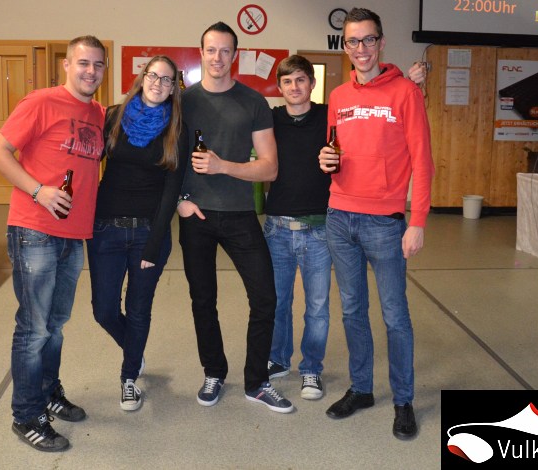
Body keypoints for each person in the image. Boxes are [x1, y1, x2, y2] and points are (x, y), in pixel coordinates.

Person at [265, 55, 427, 402]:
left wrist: (410, 84)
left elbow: (372, 107)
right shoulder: (272, 118)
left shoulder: (330, 111)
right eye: (287, 82)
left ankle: (312, 367)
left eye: (301, 80)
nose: (294, 87)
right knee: (280, 302)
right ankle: (278, 358)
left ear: (312, 84)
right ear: (279, 88)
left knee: (319, 306)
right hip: (281, 225)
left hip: (323, 226)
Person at [318, 8, 435, 440]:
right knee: (352, 310)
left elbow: (423, 161)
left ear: (381, 43)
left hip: (385, 222)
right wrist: (326, 160)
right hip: (339, 216)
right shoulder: (338, 96)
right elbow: (334, 150)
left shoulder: (406, 92)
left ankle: (403, 399)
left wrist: (417, 220)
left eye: (369, 39)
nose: (361, 48)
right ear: (345, 46)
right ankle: (362, 388)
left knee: (394, 315)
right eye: (353, 41)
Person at [0, 36, 107, 452]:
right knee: (34, 327)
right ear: (67, 66)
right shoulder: (41, 102)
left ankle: (48, 391)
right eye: (83, 63)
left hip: (74, 234)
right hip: (35, 229)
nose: (91, 71)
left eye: (98, 65)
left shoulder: (98, 113)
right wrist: (39, 191)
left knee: (55, 325)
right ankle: (26, 415)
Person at [176, 21, 293, 413]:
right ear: (201, 53)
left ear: (235, 55)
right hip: (195, 215)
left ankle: (256, 381)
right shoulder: (183, 102)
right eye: (211, 50)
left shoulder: (253, 102)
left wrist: (223, 166)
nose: (218, 57)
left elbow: (270, 167)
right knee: (202, 299)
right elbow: (166, 159)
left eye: (225, 50)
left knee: (265, 298)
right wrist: (179, 201)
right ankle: (214, 371)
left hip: (240, 215)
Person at [86, 55, 189, 412]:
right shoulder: (113, 116)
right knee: (103, 310)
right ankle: (134, 349)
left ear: (174, 87)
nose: (159, 84)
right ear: (142, 77)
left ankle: (129, 377)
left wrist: (154, 243)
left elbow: (171, 190)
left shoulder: (177, 128)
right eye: (153, 76)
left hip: (148, 232)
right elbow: (88, 164)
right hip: (105, 230)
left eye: (167, 79)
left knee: (138, 309)